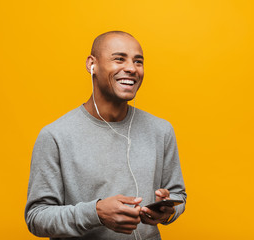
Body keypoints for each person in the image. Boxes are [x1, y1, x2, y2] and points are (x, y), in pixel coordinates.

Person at [25, 31, 186, 240]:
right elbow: (36, 218)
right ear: (92, 64)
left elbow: (177, 195)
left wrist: (167, 211)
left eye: (138, 61)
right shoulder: (55, 136)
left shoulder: (161, 130)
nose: (131, 68)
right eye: (119, 58)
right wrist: (96, 212)